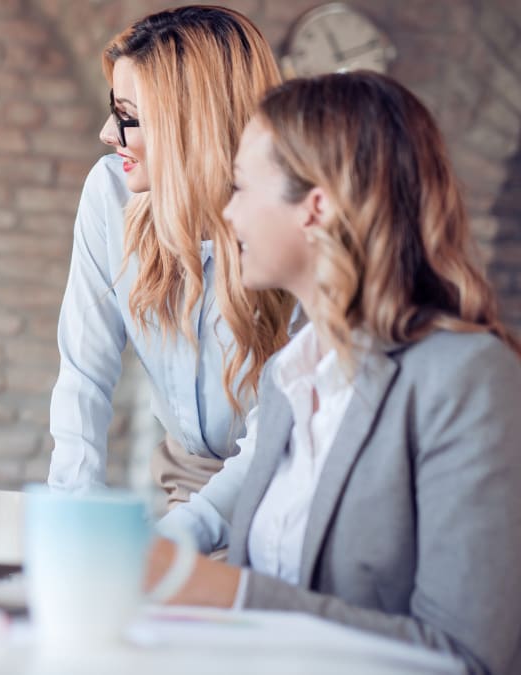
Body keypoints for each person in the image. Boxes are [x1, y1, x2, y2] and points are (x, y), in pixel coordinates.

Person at [145, 72, 521, 675]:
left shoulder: (468, 380)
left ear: (315, 208)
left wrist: (231, 595)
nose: (226, 210)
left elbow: (467, 658)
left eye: (241, 187)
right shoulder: (285, 380)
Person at [47, 6, 296, 524]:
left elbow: (275, 431)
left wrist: (177, 539)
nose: (107, 133)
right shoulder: (110, 192)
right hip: (187, 485)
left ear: (190, 124)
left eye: (127, 115)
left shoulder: (287, 224)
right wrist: (71, 521)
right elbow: (83, 373)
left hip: (289, 496)